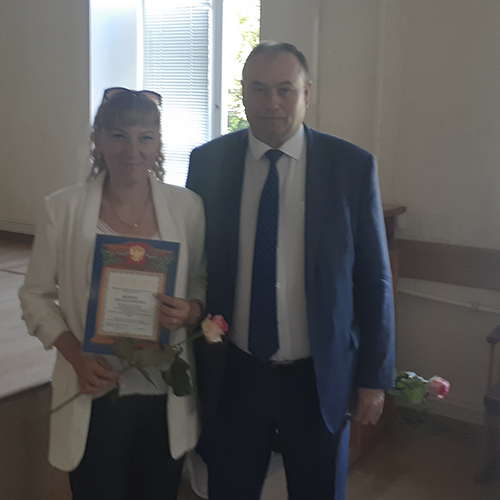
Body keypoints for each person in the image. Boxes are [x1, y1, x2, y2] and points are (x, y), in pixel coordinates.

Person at [187, 42, 395, 499]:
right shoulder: (208, 163)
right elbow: (194, 263)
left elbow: (374, 279)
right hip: (236, 374)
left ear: (307, 93)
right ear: (244, 94)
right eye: (259, 89)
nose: (272, 102)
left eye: (285, 89)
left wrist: (373, 377)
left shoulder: (351, 166)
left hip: (318, 378)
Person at [19, 88, 207, 500]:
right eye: (119, 136)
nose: (132, 151)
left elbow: (198, 281)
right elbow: (34, 295)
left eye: (145, 137)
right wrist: (75, 354)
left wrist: (191, 310)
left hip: (162, 392)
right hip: (95, 386)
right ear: (98, 140)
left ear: (158, 143)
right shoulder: (63, 209)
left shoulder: (187, 207)